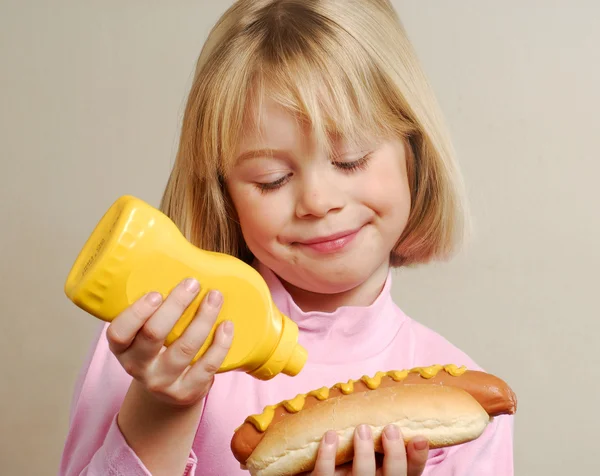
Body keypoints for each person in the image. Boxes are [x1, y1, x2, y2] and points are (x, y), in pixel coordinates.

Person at [59, 1, 515, 475]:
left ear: (414, 152)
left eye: (351, 159)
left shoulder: (468, 406)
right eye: (272, 179)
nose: (317, 201)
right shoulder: (156, 341)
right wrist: (160, 409)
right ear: (223, 192)